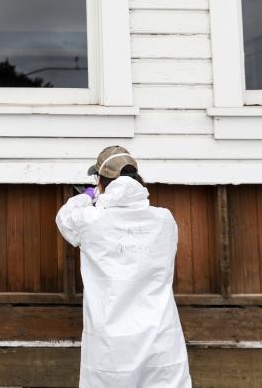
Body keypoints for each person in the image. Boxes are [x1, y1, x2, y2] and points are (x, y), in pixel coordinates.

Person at [56, 145, 191, 388]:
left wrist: (87, 197)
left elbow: (65, 218)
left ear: (101, 181)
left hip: (112, 344)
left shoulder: (90, 220)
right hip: (161, 336)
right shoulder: (164, 219)